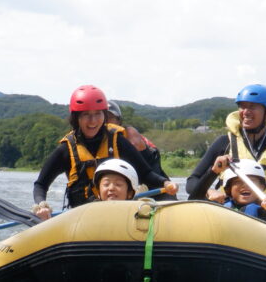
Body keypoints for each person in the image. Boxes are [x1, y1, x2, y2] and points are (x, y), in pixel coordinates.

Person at [32, 85, 177, 220]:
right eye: (86, 115)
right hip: (83, 217)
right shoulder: (66, 149)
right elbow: (40, 185)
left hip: (117, 215)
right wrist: (41, 205)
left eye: (98, 114)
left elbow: (145, 173)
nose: (93, 121)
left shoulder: (118, 140)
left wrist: (165, 182)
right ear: (76, 118)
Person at [186, 83, 266, 216]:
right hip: (229, 215)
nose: (246, 112)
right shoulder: (224, 143)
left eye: (252, 107)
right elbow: (192, 183)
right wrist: (209, 192)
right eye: (242, 106)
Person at [106, 100, 176, 201]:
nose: (107, 122)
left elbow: (141, 172)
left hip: (153, 182)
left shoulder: (128, 134)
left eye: (110, 117)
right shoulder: (100, 142)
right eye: (104, 117)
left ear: (119, 121)